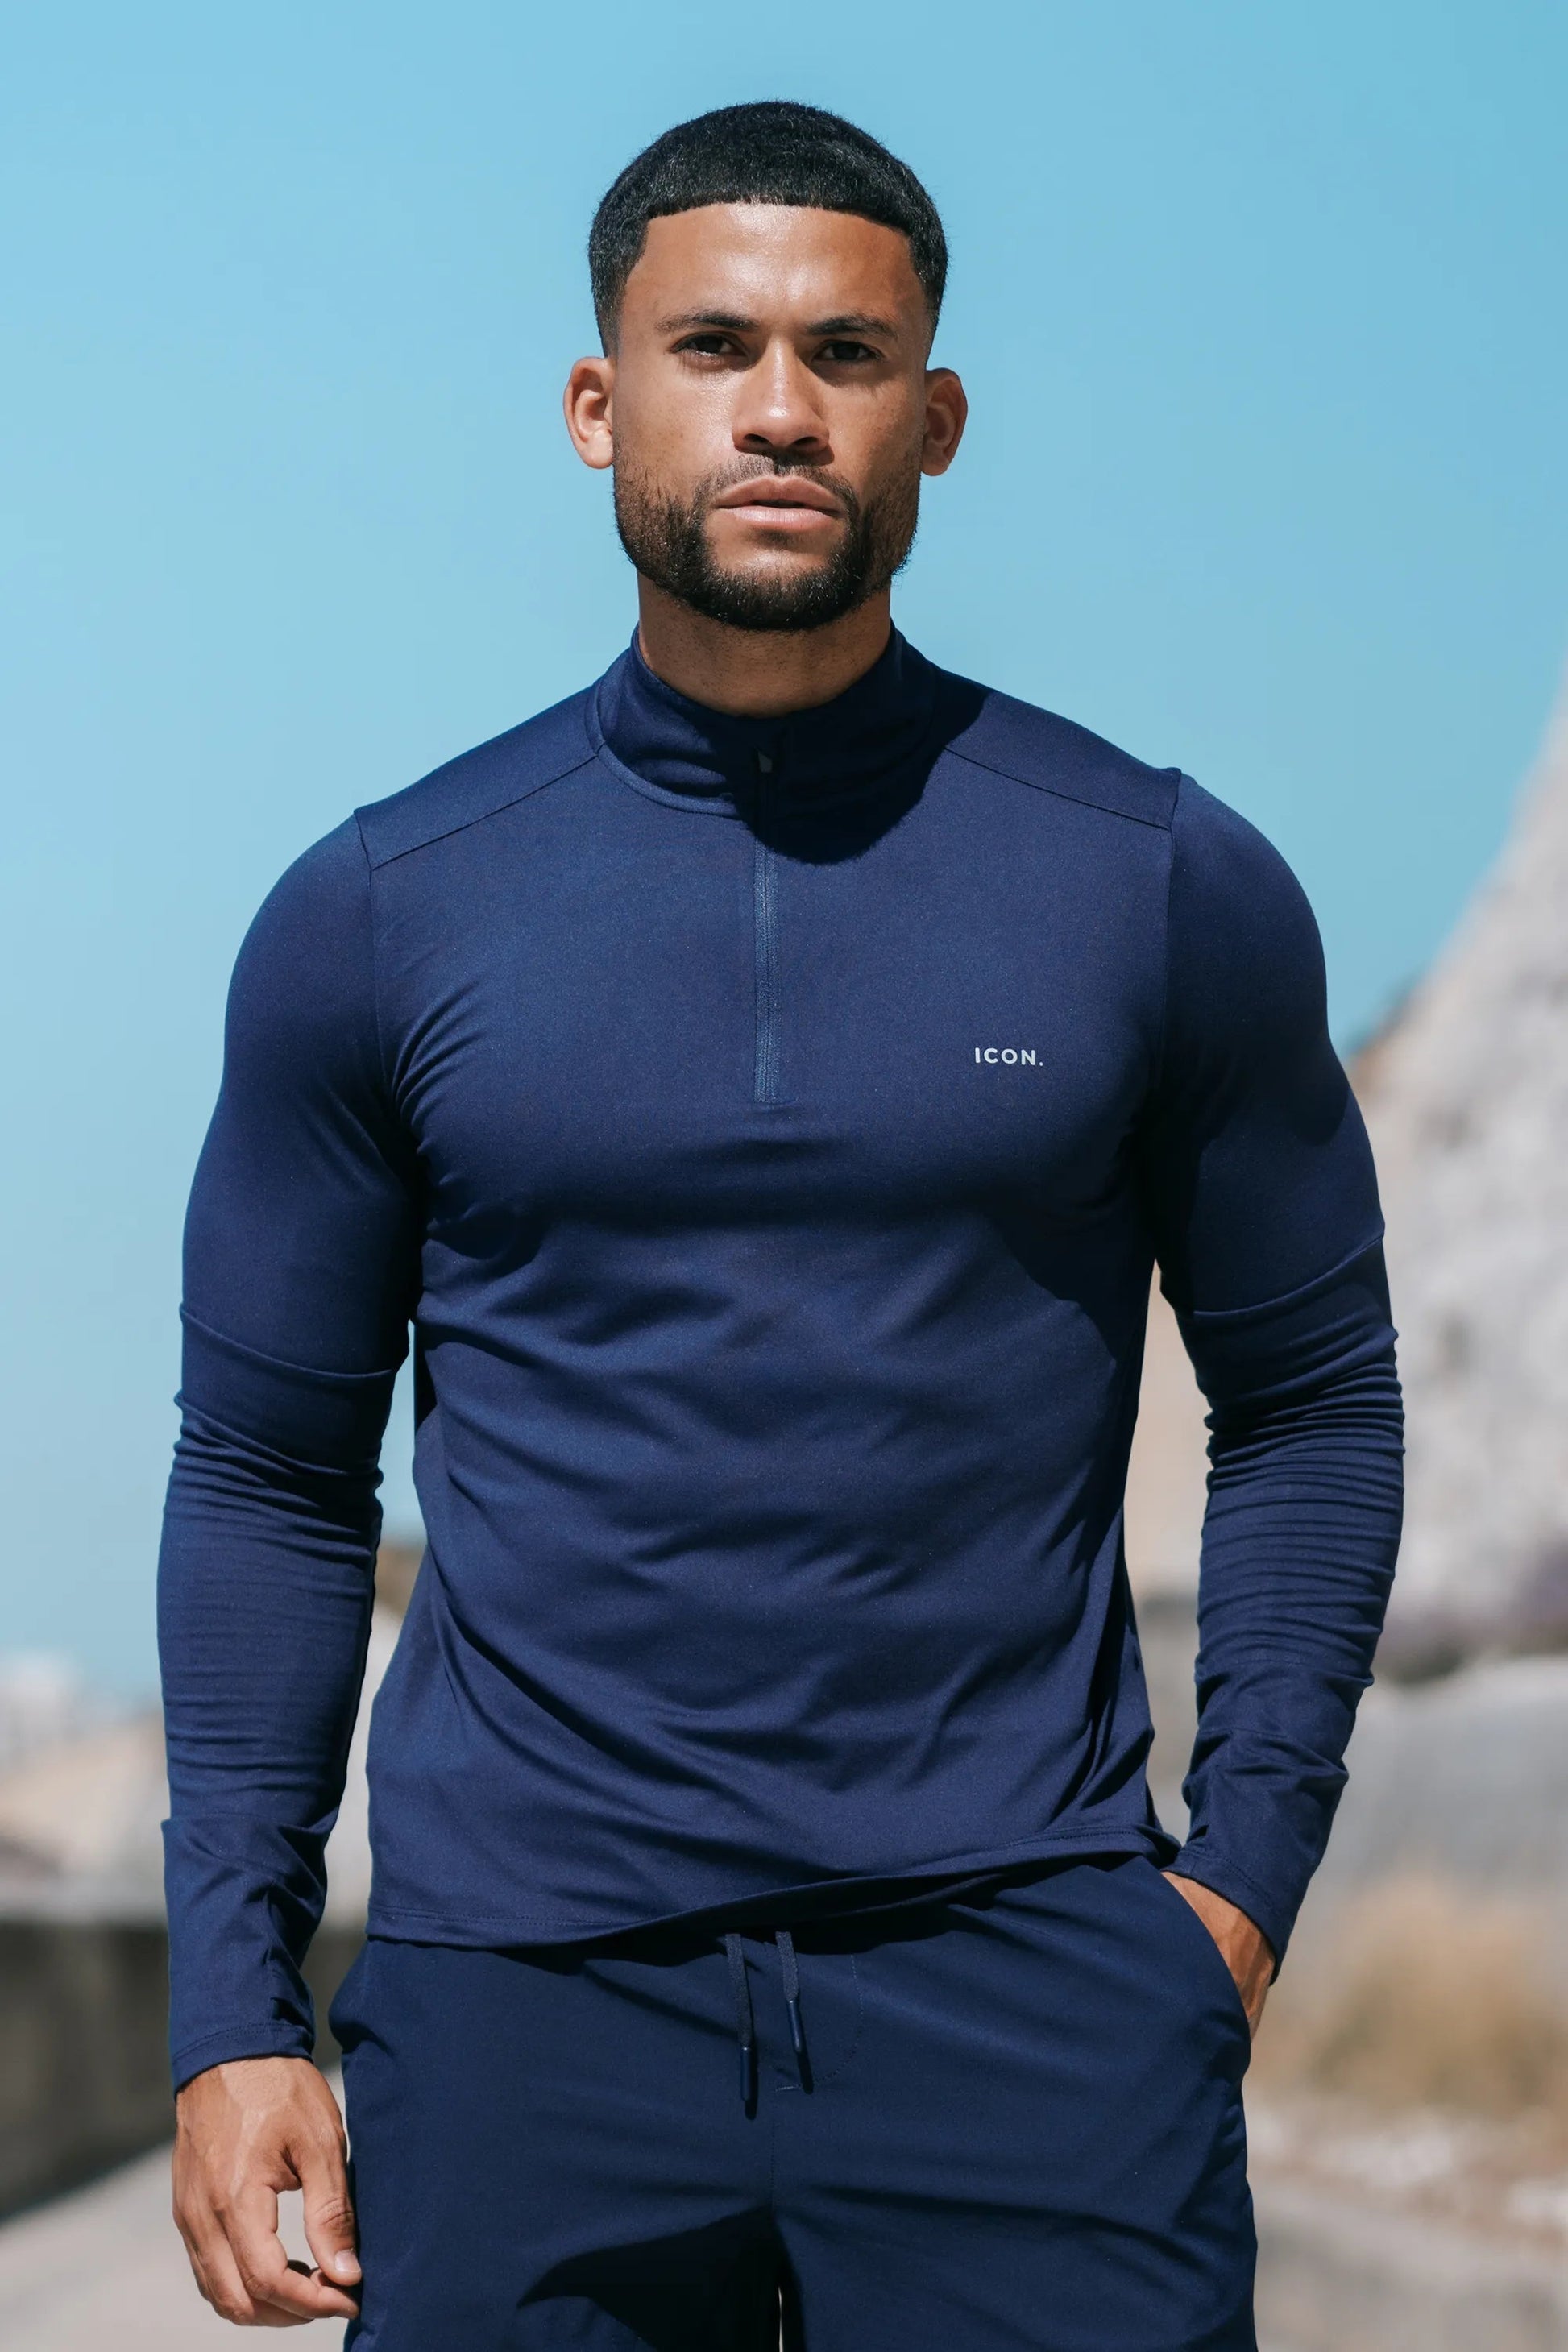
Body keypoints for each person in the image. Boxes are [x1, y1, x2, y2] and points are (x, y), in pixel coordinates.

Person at [160, 100, 1402, 2350]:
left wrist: (1233, 1886)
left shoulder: (1151, 883)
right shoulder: (383, 914)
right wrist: (234, 2010)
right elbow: (267, 1472)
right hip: (522, 2002)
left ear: (934, 418)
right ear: (595, 404)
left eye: (846, 355)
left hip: (1031, 1990)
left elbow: (1310, 1403)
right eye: (712, 346)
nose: (778, 409)